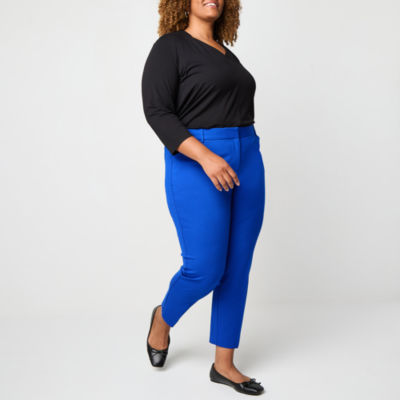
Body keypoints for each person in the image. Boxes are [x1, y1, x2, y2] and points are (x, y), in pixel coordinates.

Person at [141, 0, 265, 395]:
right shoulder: (170, 47)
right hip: (198, 161)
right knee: (205, 269)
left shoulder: (227, 54)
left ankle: (224, 364)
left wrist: (241, 150)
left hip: (248, 158)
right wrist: (207, 156)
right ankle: (162, 320)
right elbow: (158, 112)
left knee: (237, 267)